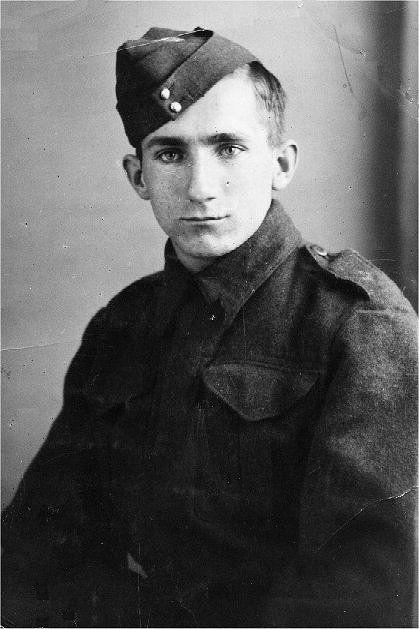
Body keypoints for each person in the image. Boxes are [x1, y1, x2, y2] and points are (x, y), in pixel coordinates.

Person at [2, 26, 417, 628]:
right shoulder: (122, 325)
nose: (200, 188)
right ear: (138, 176)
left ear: (280, 164)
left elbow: (357, 600)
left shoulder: (359, 325)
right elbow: (35, 550)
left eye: (228, 148)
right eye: (170, 154)